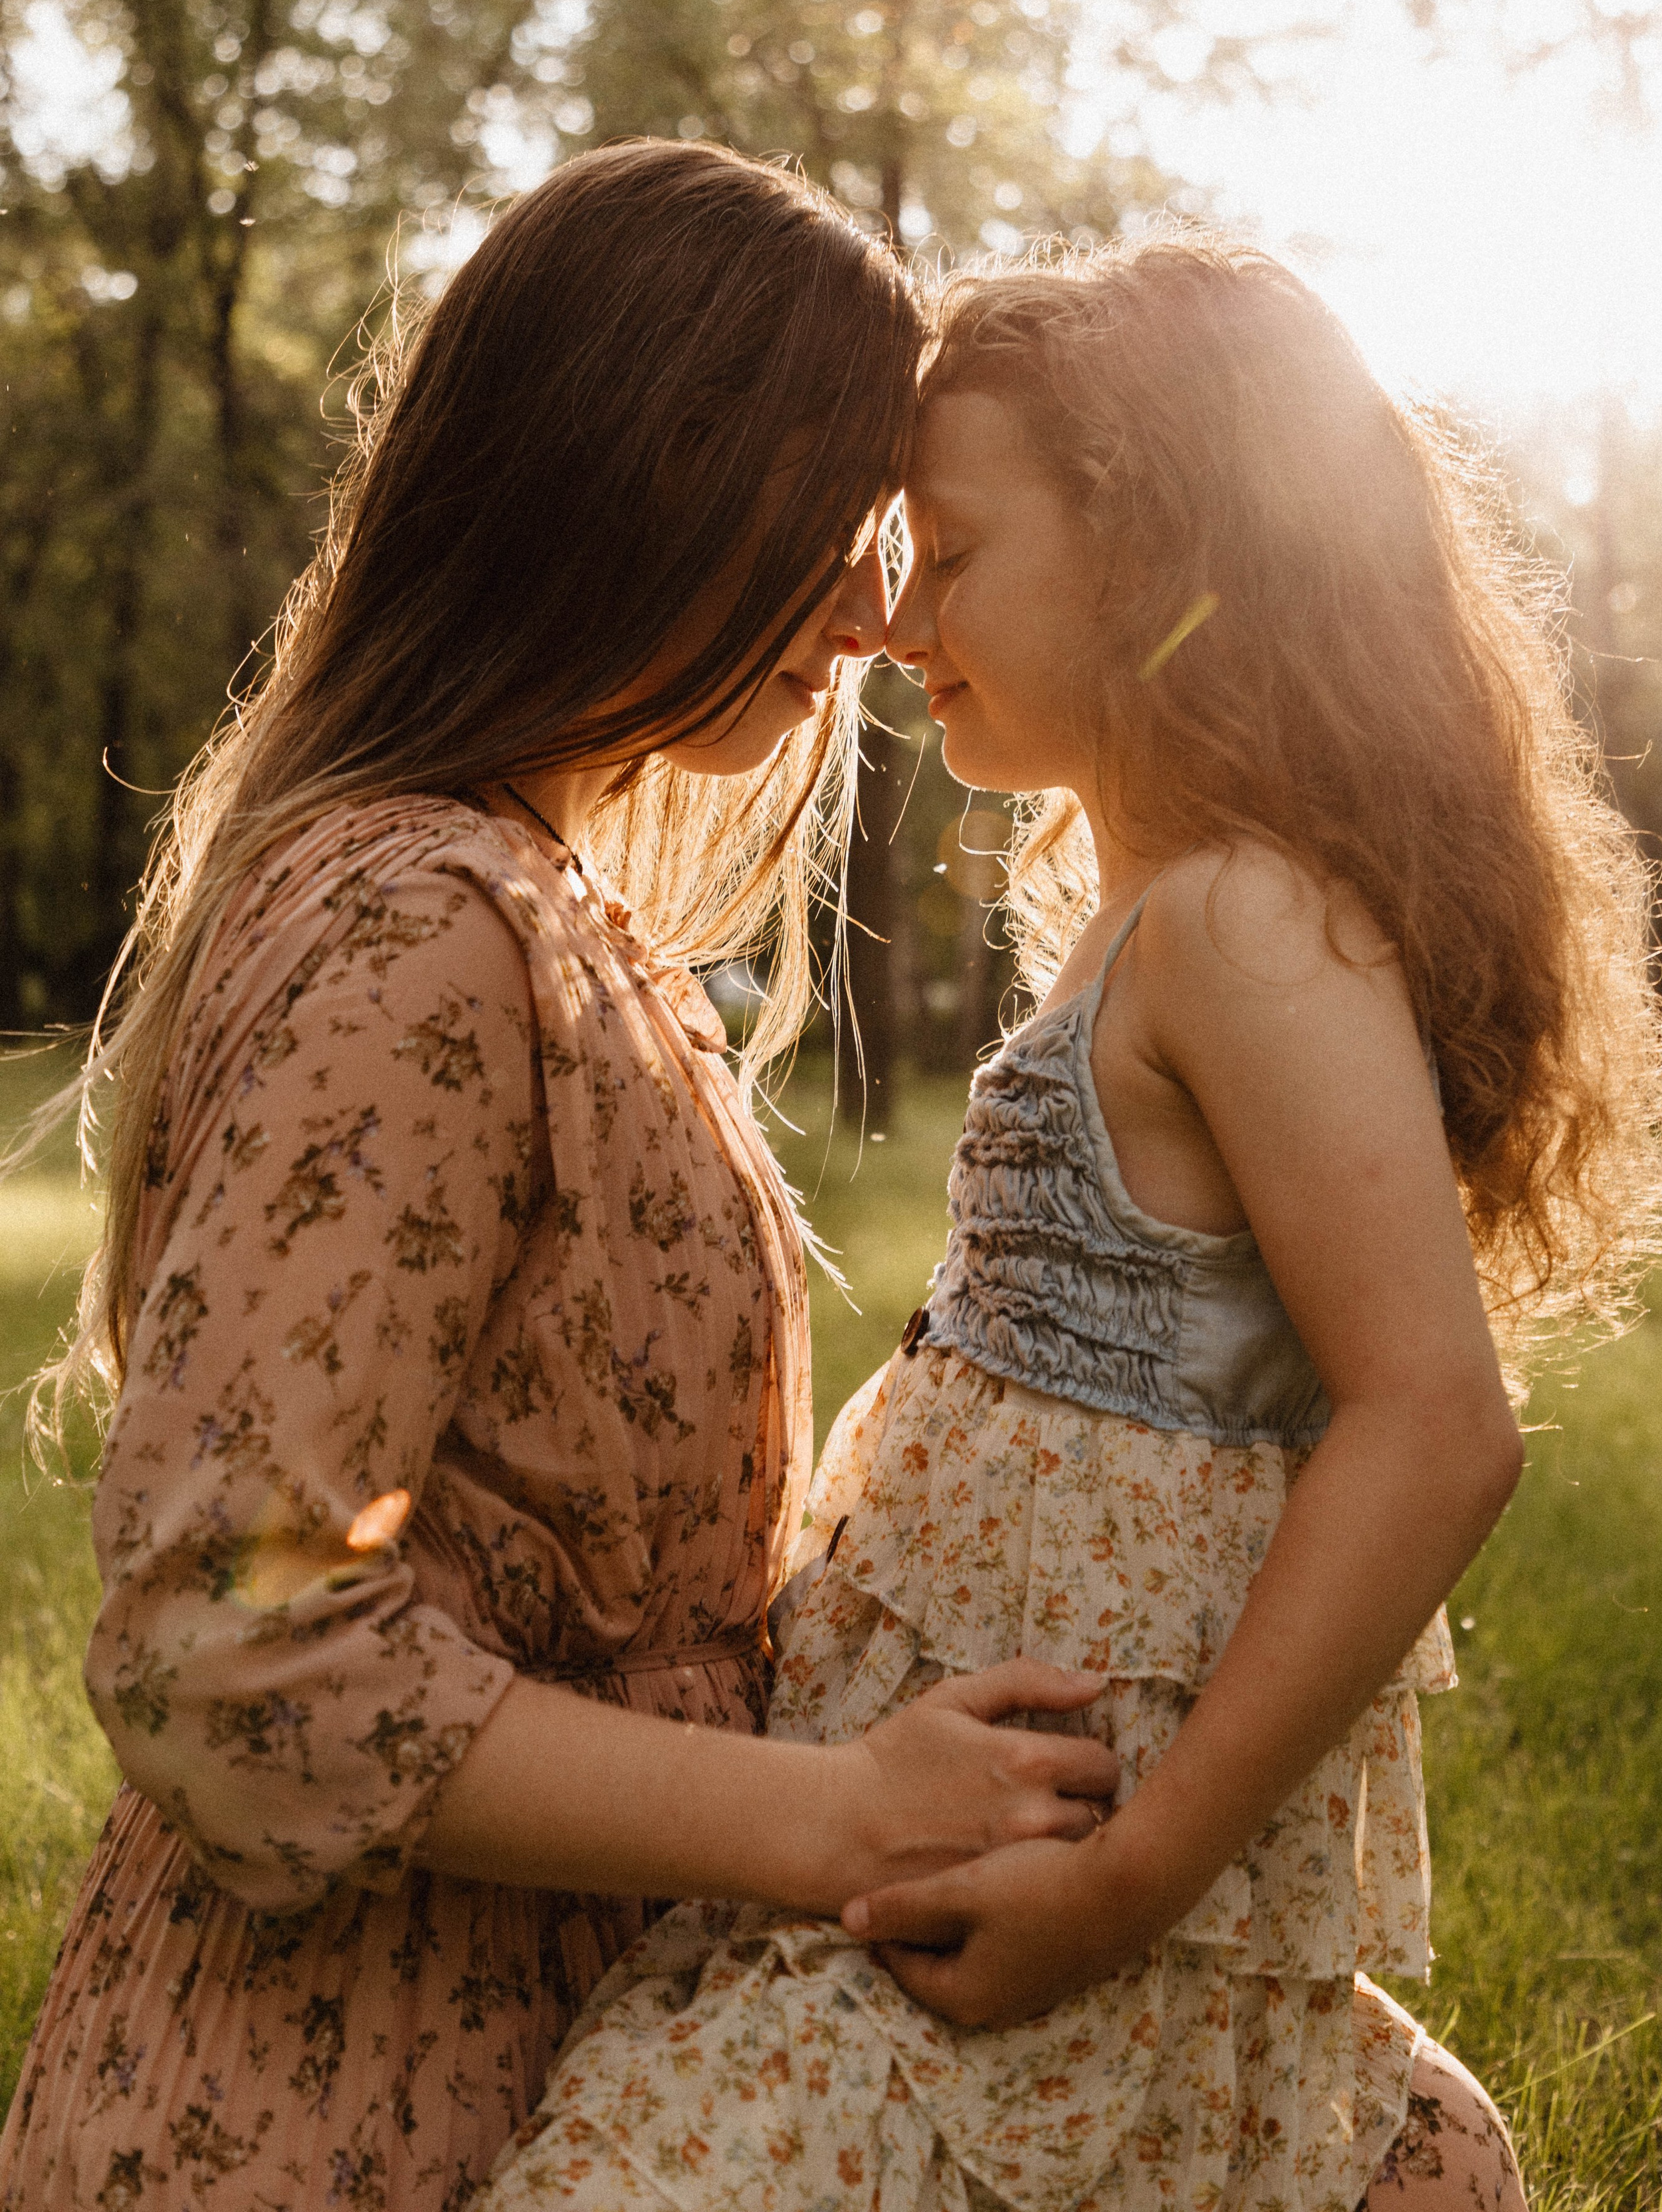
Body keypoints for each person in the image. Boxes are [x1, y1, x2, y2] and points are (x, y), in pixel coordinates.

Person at [470, 231, 1662, 2212]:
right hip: (933, 1840)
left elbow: (1437, 1421)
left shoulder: (1242, 921)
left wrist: (1130, 1882)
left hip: (1064, 1876)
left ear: (1148, 556)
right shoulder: (1155, 918)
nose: (894, 617)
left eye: (952, 554)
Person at [0, 142, 1122, 2212]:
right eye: (834, 511)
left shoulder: (540, 906)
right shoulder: (425, 924)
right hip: (368, 2098)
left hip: (580, 2026)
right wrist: (840, 1819)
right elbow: (227, 1652)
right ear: (650, 466)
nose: (879, 612)